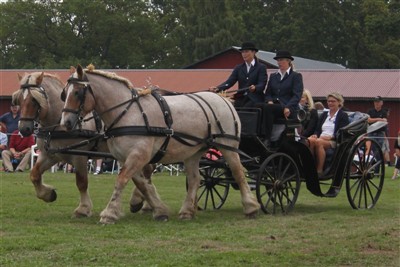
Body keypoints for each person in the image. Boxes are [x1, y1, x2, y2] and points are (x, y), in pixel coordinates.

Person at [261, 50, 303, 147]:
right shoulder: (273, 76)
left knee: (268, 108)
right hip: (274, 106)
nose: (279, 62)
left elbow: (297, 95)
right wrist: (269, 100)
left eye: (281, 60)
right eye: (278, 60)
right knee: (258, 106)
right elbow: (268, 93)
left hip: (287, 107)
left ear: (288, 61)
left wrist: (288, 107)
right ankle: (259, 134)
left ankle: (267, 138)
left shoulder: (295, 76)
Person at [210, 42, 267, 107]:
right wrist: (218, 88)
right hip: (241, 97)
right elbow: (229, 82)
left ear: (253, 52)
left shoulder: (261, 67)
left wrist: (255, 88)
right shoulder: (238, 68)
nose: (244, 54)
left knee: (246, 108)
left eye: (246, 52)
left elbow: (262, 84)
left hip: (255, 98)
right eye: (242, 52)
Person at [307, 92, 349, 177]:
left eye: (333, 101)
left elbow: (342, 131)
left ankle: (319, 170)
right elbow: (317, 129)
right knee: (310, 140)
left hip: (334, 140)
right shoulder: (324, 115)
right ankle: (311, 167)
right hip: (321, 138)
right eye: (329, 101)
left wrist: (331, 137)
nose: (330, 103)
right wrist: (315, 134)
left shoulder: (343, 115)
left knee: (319, 142)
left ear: (339, 102)